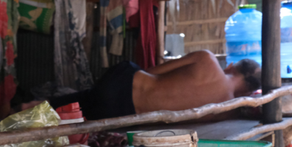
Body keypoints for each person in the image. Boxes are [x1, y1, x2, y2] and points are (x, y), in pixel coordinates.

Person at [27, 51, 261, 120]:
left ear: (232, 66)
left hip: (122, 83)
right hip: (123, 114)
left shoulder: (207, 60)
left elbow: (151, 71)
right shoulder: (225, 113)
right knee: (83, 110)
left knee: (86, 97)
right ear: (249, 92)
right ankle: (35, 110)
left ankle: (32, 106)